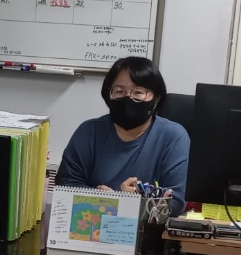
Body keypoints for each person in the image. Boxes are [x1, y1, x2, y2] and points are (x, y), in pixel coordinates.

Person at [55, 56, 188, 201]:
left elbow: (175, 200)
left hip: (146, 217)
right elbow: (65, 186)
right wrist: (105, 200)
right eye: (119, 91)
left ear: (156, 99)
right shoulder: (88, 132)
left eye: (138, 92)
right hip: (91, 215)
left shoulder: (173, 137)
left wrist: (128, 202)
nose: (127, 98)